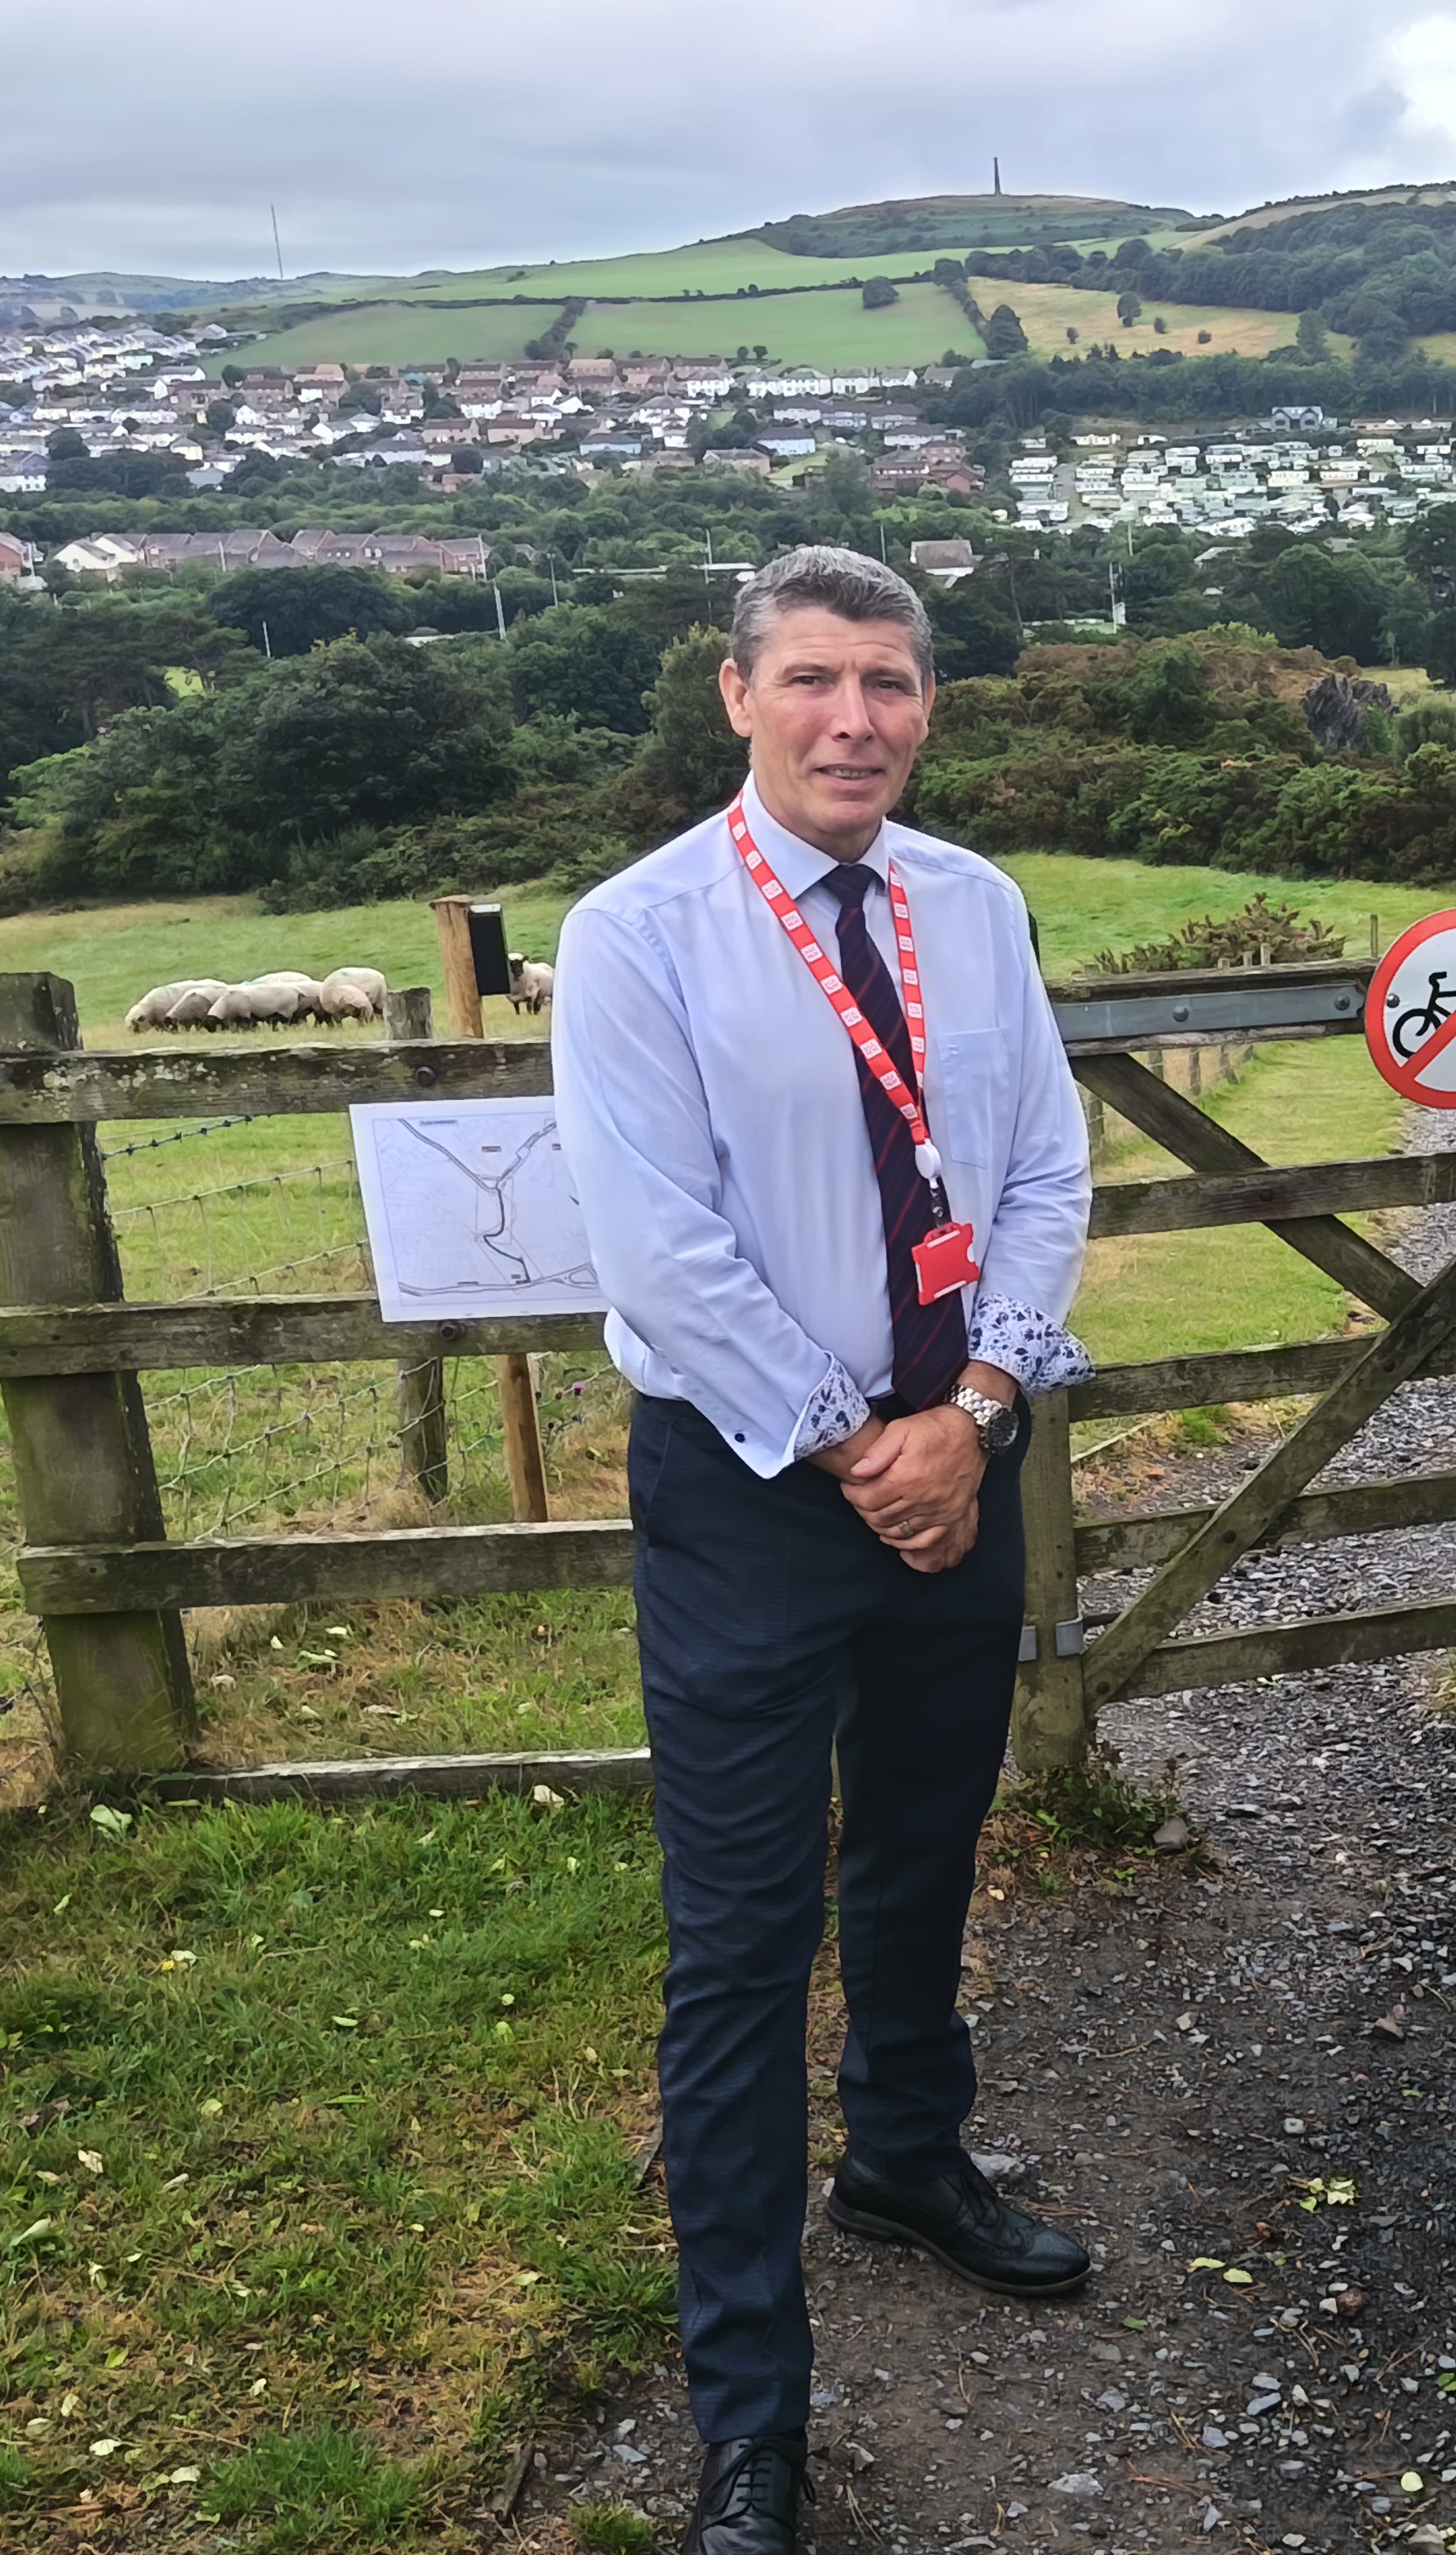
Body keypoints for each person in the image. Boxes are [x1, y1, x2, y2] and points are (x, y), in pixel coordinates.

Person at [556, 545, 1095, 2555]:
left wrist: (975, 1410)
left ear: (926, 703)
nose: (853, 719)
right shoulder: (639, 936)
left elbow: (1042, 1170)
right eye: (811, 679)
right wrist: (862, 1445)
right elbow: (658, 1249)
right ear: (736, 694)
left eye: (888, 682)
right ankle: (749, 2410)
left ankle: (903, 2155)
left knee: (926, 1842)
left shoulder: (977, 906)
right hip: (752, 1492)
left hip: (960, 1452)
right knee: (736, 1942)